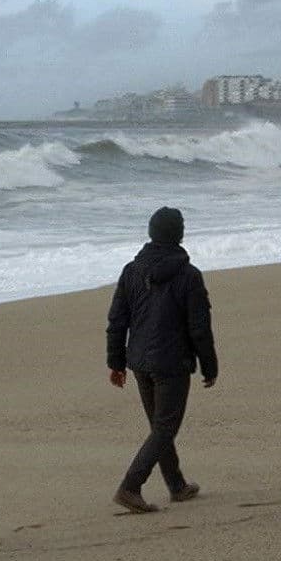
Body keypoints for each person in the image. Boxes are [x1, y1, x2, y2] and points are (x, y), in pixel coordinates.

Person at [106, 207, 218, 513]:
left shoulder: (132, 270)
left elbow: (117, 320)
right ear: (179, 235)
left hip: (140, 360)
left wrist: (115, 362)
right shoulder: (188, 275)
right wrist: (209, 365)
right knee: (165, 427)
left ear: (151, 233)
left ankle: (177, 485)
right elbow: (199, 327)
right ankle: (131, 486)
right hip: (171, 363)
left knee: (160, 426)